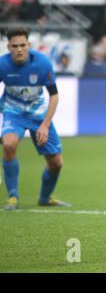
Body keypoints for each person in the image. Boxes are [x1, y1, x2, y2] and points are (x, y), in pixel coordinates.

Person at [0, 28, 70, 210]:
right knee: (9, 144)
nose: (19, 49)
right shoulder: (2, 65)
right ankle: (13, 197)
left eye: (22, 45)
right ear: (8, 47)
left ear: (29, 45)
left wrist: (45, 125)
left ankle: (45, 198)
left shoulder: (43, 64)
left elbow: (54, 96)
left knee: (56, 163)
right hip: (13, 112)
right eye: (14, 46)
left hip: (38, 115)